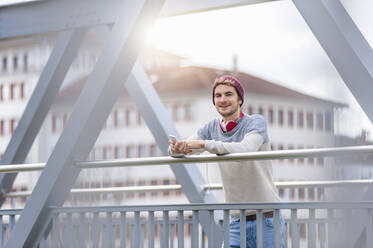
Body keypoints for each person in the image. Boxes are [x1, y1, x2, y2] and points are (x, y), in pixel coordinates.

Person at [168, 75, 285, 248]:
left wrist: (205, 144)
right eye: (218, 96)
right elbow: (184, 148)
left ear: (240, 100)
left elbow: (245, 149)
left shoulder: (255, 122)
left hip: (267, 219)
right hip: (236, 221)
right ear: (214, 101)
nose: (223, 100)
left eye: (228, 94)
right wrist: (176, 149)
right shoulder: (211, 127)